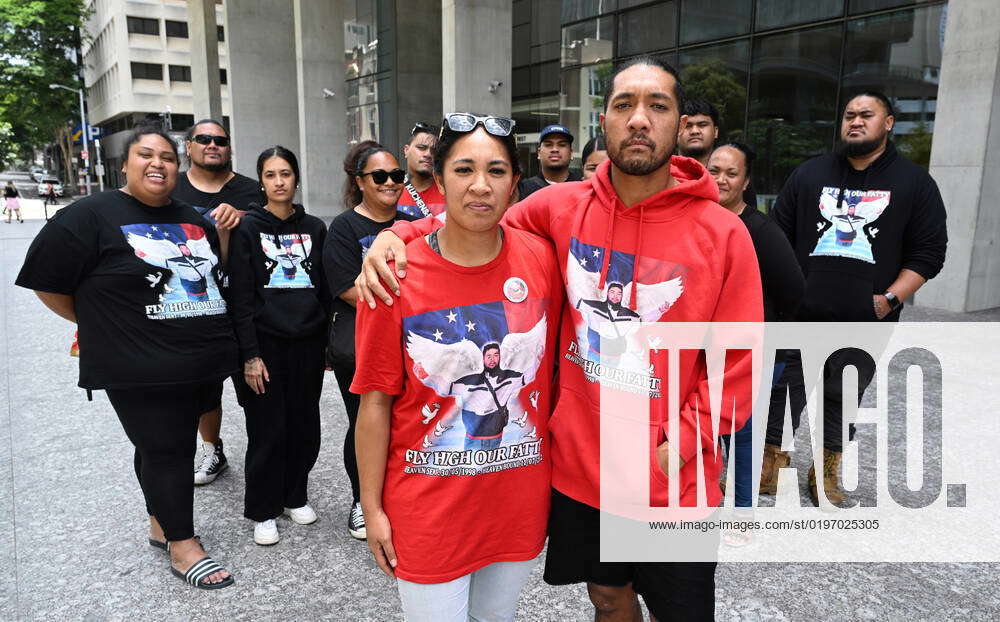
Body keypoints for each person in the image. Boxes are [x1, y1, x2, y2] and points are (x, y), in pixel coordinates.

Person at [356, 58, 763, 622]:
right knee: (607, 597)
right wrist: (393, 237)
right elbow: (475, 214)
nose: (639, 119)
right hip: (581, 471)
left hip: (671, 478)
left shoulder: (724, 233)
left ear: (681, 122)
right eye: (624, 106)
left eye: (658, 106)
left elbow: (739, 362)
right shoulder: (562, 206)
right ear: (605, 118)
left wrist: (679, 446)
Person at [351, 112, 562, 622]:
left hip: (515, 501)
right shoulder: (394, 275)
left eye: (496, 170)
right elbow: (375, 403)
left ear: (516, 183)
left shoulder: (543, 259)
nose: (480, 186)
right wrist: (373, 509)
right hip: (429, 510)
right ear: (439, 178)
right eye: (464, 169)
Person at [15, 126, 239, 589]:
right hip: (136, 364)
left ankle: (160, 520)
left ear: (179, 169)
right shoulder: (88, 216)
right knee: (168, 447)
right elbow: (47, 282)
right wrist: (97, 322)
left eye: (167, 157)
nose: (158, 163)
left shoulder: (193, 217)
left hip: (198, 360)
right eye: (145, 155)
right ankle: (182, 543)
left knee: (159, 444)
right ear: (125, 164)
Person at [763, 91, 947, 505]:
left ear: (888, 123)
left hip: (865, 320)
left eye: (866, 114)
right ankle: (770, 465)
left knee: (841, 397)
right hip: (800, 317)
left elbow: (929, 252)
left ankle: (825, 473)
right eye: (849, 115)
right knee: (783, 393)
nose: (856, 121)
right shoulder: (810, 174)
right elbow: (778, 236)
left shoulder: (915, 184)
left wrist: (889, 300)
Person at [226, 145, 330, 546]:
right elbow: (242, 297)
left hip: (306, 342)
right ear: (262, 181)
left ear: (296, 178)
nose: (279, 181)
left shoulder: (315, 228)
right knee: (267, 428)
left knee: (305, 425)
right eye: (270, 175)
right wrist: (249, 355)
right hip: (264, 347)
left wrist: (322, 345)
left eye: (285, 173)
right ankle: (263, 508)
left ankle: (294, 495)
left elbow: (322, 290)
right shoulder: (248, 228)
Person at [707, 142, 804, 545]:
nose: (721, 180)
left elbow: (795, 292)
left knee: (742, 435)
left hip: (754, 353)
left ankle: (742, 516)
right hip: (706, 349)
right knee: (705, 429)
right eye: (714, 170)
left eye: (731, 173)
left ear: (746, 182)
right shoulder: (698, 219)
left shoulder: (762, 231)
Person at [324, 141, 416, 540]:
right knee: (363, 421)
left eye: (398, 176)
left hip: (409, 342)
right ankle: (362, 502)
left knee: (403, 423)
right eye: (380, 176)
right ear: (360, 182)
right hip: (359, 344)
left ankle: (395, 498)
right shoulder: (345, 227)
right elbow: (346, 287)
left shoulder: (412, 222)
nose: (390, 183)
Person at [171, 118, 264, 487]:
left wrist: (242, 217)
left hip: (245, 305)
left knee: (255, 387)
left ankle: (265, 453)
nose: (213, 145)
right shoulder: (170, 189)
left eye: (220, 140)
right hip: (192, 306)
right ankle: (212, 448)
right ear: (189, 147)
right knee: (202, 390)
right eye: (204, 139)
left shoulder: (251, 190)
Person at [517, 124, 581, 199]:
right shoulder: (523, 189)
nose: (555, 149)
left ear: (571, 153)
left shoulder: (582, 187)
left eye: (562, 145)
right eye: (548, 145)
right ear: (539, 153)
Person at [397, 122, 446, 219]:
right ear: (406, 150)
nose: (428, 154)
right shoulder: (391, 190)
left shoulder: (449, 192)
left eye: (434, 150)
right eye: (421, 148)